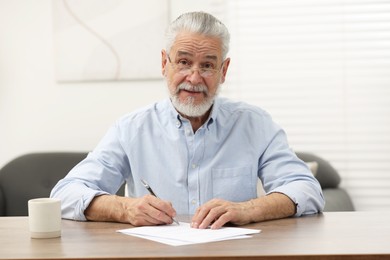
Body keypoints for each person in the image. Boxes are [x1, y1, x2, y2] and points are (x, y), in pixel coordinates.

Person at [50, 11, 324, 230]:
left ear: (223, 70)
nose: (194, 78)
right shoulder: (131, 128)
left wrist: (248, 209)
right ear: (164, 64)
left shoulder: (256, 124)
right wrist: (125, 208)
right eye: (183, 62)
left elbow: (307, 189)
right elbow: (64, 194)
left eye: (206, 65)